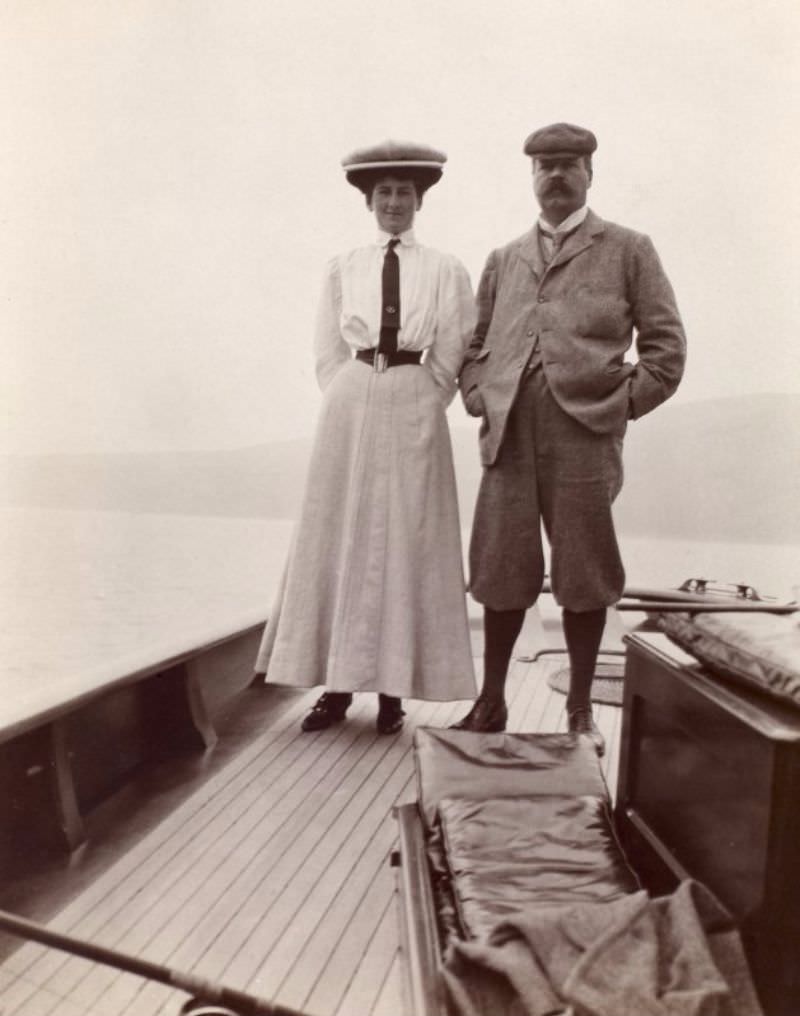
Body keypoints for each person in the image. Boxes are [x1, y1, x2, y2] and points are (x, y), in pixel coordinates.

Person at [452, 123, 686, 754]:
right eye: (543, 166)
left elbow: (667, 352)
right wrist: (481, 394)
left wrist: (618, 406)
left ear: (590, 173)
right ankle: (491, 701)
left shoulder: (629, 249)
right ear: (531, 177)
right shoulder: (504, 258)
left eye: (567, 165)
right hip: (508, 435)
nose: (555, 176)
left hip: (584, 436)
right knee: (500, 567)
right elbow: (473, 348)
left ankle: (579, 710)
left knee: (584, 573)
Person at [254, 140, 477, 735]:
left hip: (414, 394)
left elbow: (455, 343)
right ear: (369, 202)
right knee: (343, 535)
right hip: (351, 399)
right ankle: (335, 688)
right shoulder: (342, 266)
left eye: (405, 193)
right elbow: (327, 350)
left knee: (407, 538)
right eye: (384, 194)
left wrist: (427, 394)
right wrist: (349, 392)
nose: (394, 203)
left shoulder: (444, 268)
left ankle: (393, 694)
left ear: (419, 200)